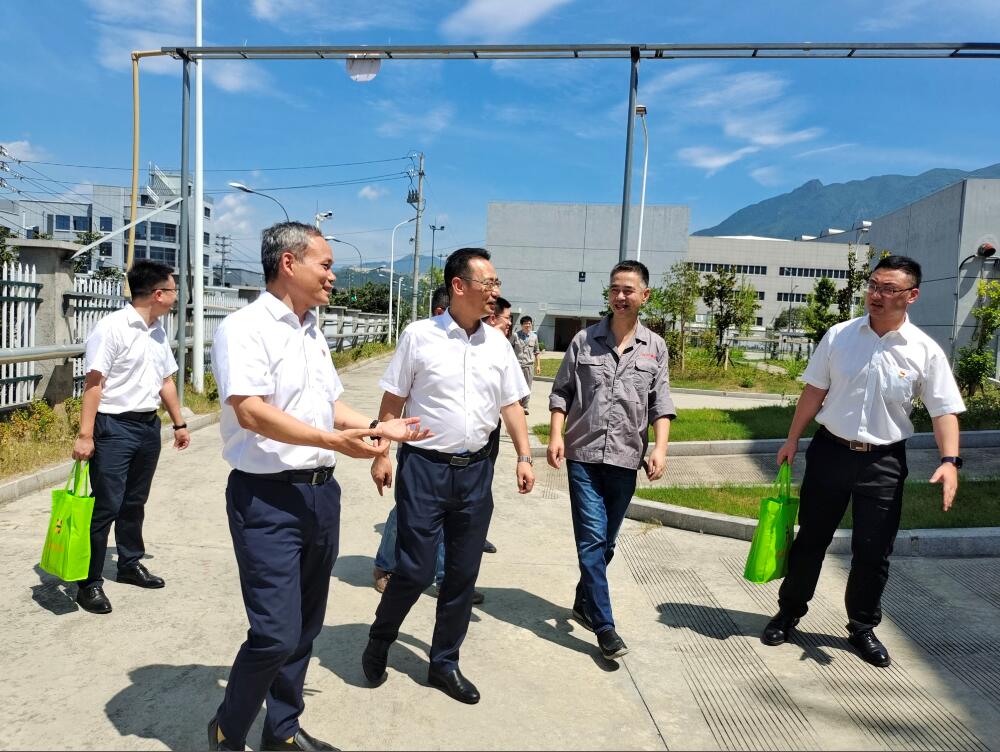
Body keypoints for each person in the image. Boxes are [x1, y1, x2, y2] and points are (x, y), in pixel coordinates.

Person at [208, 222, 429, 752]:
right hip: (266, 497)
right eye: (325, 264)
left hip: (319, 495)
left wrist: (377, 429)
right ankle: (226, 730)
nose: (333, 275)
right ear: (289, 263)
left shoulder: (311, 331)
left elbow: (328, 404)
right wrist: (334, 439)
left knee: (307, 625)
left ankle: (282, 730)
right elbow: (251, 411)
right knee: (275, 633)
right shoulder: (245, 328)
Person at [761, 255, 965, 668]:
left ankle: (861, 626)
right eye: (873, 285)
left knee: (873, 551)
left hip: (884, 462)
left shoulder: (924, 351)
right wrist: (792, 439)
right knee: (810, 540)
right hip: (830, 453)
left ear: (912, 295)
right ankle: (789, 612)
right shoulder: (840, 335)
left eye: (889, 289)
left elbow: (944, 410)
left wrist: (950, 461)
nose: (877, 294)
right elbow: (814, 391)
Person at [362, 248, 534, 705]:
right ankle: (381, 637)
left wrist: (524, 456)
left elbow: (511, 405)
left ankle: (444, 662)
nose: (495, 291)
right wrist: (381, 454)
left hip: (476, 471)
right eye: (488, 283)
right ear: (459, 286)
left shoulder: (497, 343)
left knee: (462, 573)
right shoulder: (419, 336)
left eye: (496, 283)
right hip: (424, 468)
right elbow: (393, 400)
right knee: (416, 569)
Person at [547, 260, 675, 661]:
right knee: (591, 539)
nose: (620, 297)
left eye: (628, 290)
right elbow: (561, 392)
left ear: (644, 296)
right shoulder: (584, 341)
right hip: (583, 455)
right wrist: (555, 435)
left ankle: (584, 600)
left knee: (606, 542)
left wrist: (660, 448)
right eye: (615, 289)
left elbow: (661, 404)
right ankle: (605, 627)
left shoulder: (655, 347)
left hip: (625, 457)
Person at [71, 260, 190, 615]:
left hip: (147, 426)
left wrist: (179, 423)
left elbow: (165, 380)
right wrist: (85, 435)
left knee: (134, 502)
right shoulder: (112, 328)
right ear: (158, 294)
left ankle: (129, 564)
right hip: (114, 428)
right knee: (106, 506)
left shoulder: (157, 330)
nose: (176, 296)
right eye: (173, 290)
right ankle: (88, 583)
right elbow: (94, 383)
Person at [512, 315, 541, 414]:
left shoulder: (534, 336)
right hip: (517, 365)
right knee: (515, 386)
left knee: (527, 386)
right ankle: (516, 404)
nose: (528, 325)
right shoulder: (515, 335)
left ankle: (525, 407)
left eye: (529, 323)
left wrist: (538, 365)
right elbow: (508, 349)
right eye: (525, 323)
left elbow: (537, 351)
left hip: (529, 365)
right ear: (521, 325)